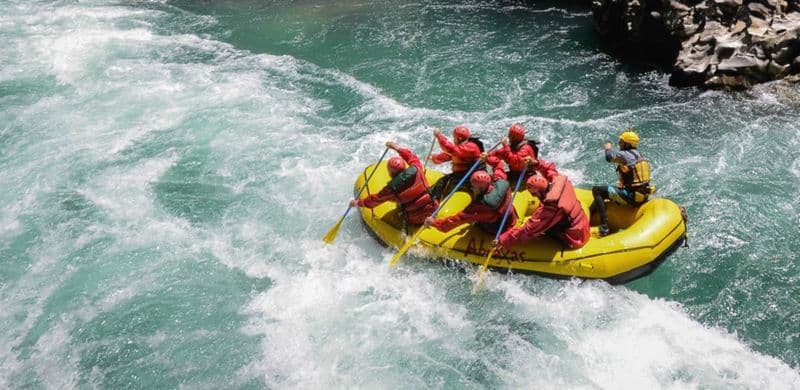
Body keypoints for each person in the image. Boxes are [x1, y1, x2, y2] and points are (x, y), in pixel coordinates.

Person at [350, 141, 438, 226]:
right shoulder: (417, 168)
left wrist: (358, 203)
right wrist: (396, 147)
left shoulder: (390, 190)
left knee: (397, 211)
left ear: (390, 173)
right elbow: (411, 156)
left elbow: (375, 200)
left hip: (415, 219)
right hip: (434, 209)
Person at [494, 174, 590, 250]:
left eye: (534, 194)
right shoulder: (561, 185)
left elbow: (528, 230)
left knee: (536, 231)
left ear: (540, 192)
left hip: (575, 237)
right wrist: (537, 164)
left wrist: (503, 239)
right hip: (582, 224)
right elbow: (550, 170)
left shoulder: (551, 207)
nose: (533, 196)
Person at [424, 156, 515, 235]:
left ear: (480, 189)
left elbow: (456, 220)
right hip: (510, 218)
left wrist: (434, 222)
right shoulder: (499, 181)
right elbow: (498, 165)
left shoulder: (480, 207)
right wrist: (487, 158)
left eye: (473, 186)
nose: (471, 188)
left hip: (496, 228)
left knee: (475, 219)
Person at [589, 129, 655, 236]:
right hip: (643, 196)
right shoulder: (640, 155)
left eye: (621, 142)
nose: (619, 144)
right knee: (610, 190)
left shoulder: (625, 154)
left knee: (597, 190)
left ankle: (604, 228)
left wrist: (608, 149)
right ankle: (589, 213)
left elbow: (609, 158)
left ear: (626, 143)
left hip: (631, 197)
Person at [427, 126, 483, 199]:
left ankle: (433, 202)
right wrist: (434, 158)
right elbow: (448, 156)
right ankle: (431, 199)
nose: (453, 140)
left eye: (454, 138)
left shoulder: (471, 147)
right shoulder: (461, 147)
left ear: (459, 139)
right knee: (442, 182)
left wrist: (439, 136)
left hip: (468, 177)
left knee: (444, 186)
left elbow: (451, 150)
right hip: (460, 175)